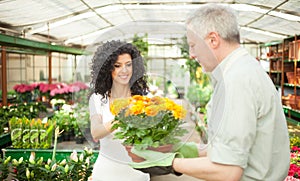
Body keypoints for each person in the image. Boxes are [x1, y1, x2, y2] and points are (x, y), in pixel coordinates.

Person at [130, 4, 290, 180]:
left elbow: (228, 171)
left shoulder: (237, 81)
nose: (191, 54)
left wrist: (169, 162)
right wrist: (184, 148)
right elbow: (228, 149)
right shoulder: (241, 71)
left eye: (193, 45)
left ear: (213, 40)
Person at [89, 40, 150, 181]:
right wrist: (123, 117)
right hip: (106, 173)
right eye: (117, 66)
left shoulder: (143, 99)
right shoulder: (98, 99)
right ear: (107, 69)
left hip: (138, 173)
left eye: (128, 65)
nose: (125, 70)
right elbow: (96, 132)